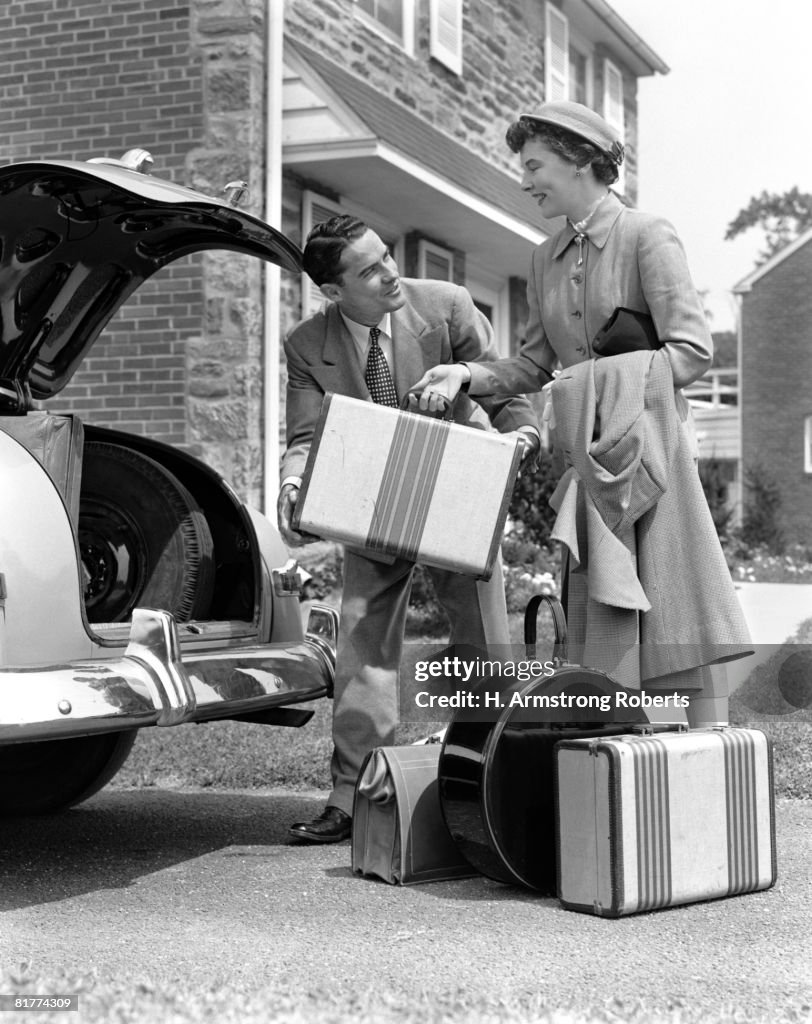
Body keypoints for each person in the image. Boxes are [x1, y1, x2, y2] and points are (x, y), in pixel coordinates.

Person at [412, 101, 752, 716]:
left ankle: (709, 751)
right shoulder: (545, 256)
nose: (525, 180)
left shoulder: (648, 234)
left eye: (536, 164)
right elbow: (535, 368)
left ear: (579, 162)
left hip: (652, 448)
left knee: (676, 595)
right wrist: (466, 372)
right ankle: (616, 740)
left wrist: (601, 384)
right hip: (588, 461)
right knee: (602, 606)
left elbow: (693, 350)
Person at [278, 215, 541, 842]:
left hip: (457, 493)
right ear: (333, 291)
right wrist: (293, 482)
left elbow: (509, 387)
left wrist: (523, 439)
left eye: (387, 256)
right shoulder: (305, 345)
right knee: (364, 646)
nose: (390, 272)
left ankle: (489, 782)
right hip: (372, 501)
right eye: (369, 270)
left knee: (480, 638)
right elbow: (307, 437)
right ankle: (354, 795)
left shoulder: (447, 307)